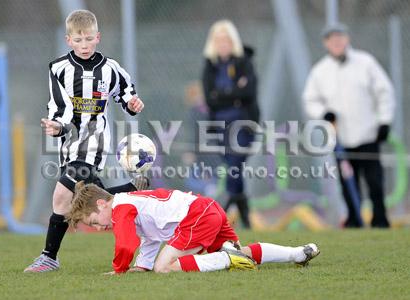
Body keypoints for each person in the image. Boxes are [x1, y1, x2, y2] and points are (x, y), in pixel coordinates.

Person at [24, 10, 147, 273]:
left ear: (97, 37)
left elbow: (127, 95)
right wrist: (56, 126)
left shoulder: (110, 68)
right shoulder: (58, 68)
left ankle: (49, 257)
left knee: (61, 196)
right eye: (78, 41)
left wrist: (134, 104)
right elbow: (59, 107)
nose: (84, 45)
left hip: (94, 141)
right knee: (88, 197)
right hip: (69, 143)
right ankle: (132, 188)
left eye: (89, 39)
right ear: (69, 40)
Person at [65, 182, 320, 274]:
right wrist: (141, 267)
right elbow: (150, 239)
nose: (98, 228)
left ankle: (224, 259)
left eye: (93, 221)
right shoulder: (128, 203)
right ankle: (296, 253)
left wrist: (119, 270)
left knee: (164, 267)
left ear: (102, 203)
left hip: (196, 216)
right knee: (244, 254)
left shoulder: (121, 208)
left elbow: (125, 244)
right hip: (208, 209)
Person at [303, 23, 395, 228]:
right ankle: (354, 219)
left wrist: (384, 121)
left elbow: (384, 92)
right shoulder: (320, 71)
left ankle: (380, 220)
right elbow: (310, 100)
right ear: (326, 43)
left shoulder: (366, 63)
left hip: (368, 135)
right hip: (341, 140)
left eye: (340, 37)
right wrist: (323, 113)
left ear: (347, 39)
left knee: (375, 182)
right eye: (331, 39)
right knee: (347, 182)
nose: (336, 42)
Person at [202, 20, 259, 229]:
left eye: (226, 40)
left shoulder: (245, 62)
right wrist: (234, 94)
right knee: (234, 167)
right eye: (218, 40)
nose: (222, 44)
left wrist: (223, 95)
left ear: (232, 41)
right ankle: (244, 212)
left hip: (243, 125)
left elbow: (249, 93)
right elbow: (210, 99)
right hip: (219, 126)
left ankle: (220, 215)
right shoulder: (210, 66)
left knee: (235, 165)